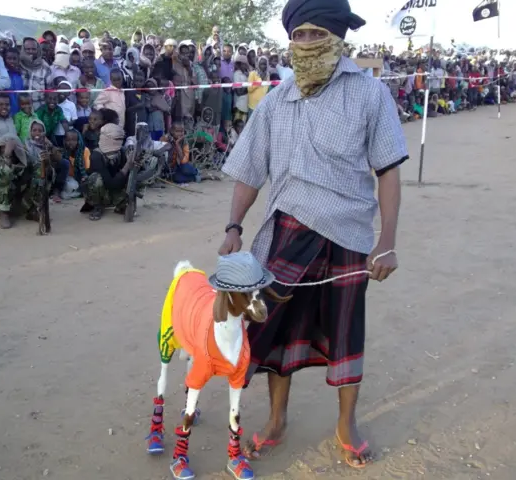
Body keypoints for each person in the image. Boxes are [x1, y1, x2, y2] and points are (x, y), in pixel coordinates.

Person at [219, 0, 407, 469]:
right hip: (285, 232)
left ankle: (346, 424)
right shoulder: (277, 100)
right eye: (298, 35)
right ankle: (277, 419)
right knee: (273, 331)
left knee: (345, 334)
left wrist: (387, 241)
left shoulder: (369, 95)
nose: (305, 44)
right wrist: (233, 226)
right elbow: (249, 171)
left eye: (315, 35)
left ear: (338, 39)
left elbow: (387, 171)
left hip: (347, 236)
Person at [0, 133, 44, 229]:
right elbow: (0, 181)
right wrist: (7, 157)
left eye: (10, 147)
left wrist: (46, 165)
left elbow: (41, 174)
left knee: (39, 181)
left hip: (23, 201)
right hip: (4, 202)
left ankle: (32, 210)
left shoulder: (28, 159)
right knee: (4, 182)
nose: (6, 150)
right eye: (3, 147)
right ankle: (4, 214)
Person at [81, 123, 132, 221]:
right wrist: (127, 166)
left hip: (113, 188)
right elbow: (110, 183)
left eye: (120, 139)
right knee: (95, 178)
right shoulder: (96, 155)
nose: (118, 142)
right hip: (101, 190)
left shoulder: (120, 152)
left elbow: (123, 177)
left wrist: (133, 164)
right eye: (116, 139)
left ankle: (121, 205)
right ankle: (97, 206)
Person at [20, 37, 51, 111]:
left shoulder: (45, 66)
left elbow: (49, 89)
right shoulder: (18, 65)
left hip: (39, 108)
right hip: (20, 109)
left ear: (37, 50)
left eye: (33, 49)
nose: (31, 51)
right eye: (28, 49)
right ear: (23, 50)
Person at [4, 47, 23, 115]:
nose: (12, 61)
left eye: (14, 59)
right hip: (5, 111)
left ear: (18, 60)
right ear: (4, 59)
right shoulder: (2, 75)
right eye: (9, 58)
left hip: (18, 111)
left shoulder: (19, 75)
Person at [232, 55, 249, 122]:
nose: (246, 66)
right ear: (240, 64)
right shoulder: (237, 74)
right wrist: (249, 88)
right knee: (238, 127)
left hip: (245, 105)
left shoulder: (245, 74)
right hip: (239, 106)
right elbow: (239, 92)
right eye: (244, 64)